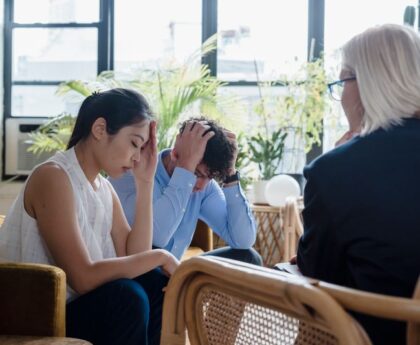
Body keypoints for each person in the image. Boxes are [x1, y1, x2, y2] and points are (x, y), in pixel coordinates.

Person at [0, 88, 180, 345]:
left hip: (79, 308)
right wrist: (161, 255)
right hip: (36, 314)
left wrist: (145, 181)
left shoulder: (103, 187)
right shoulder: (54, 176)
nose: (137, 156)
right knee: (126, 297)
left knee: (155, 285)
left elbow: (135, 257)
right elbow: (82, 278)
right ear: (100, 129)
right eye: (133, 143)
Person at [296, 24, 420, 344]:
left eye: (342, 81)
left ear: (367, 85)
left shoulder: (334, 172)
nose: (341, 98)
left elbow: (315, 280)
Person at [109, 117, 262, 265]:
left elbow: (243, 240)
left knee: (248, 257)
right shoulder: (134, 172)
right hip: (139, 272)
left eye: (210, 177)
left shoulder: (205, 187)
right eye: (196, 174)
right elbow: (157, 238)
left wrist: (230, 173)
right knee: (154, 259)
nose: (202, 186)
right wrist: (186, 169)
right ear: (175, 154)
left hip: (174, 273)